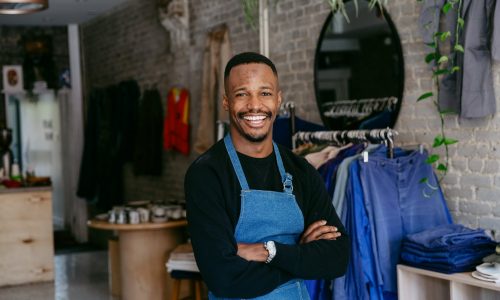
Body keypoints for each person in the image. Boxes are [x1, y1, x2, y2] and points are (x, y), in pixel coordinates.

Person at [185, 52, 349, 299]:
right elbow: (223, 278)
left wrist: (270, 251)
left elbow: (336, 259)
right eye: (242, 94)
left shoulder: (300, 170)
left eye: (265, 93)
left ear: (278, 99)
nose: (254, 105)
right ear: (226, 102)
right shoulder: (207, 174)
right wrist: (299, 255)